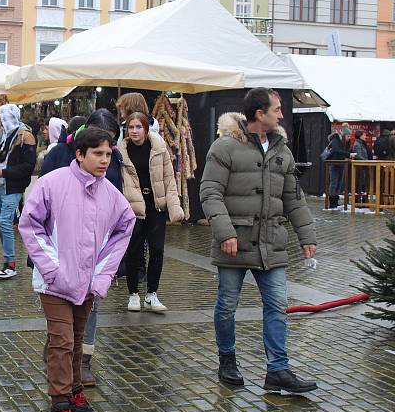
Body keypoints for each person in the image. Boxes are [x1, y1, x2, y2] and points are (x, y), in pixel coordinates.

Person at [200, 87, 318, 394]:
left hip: (271, 243)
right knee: (227, 306)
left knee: (277, 305)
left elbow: (293, 198)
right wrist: (225, 232)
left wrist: (307, 236)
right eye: (276, 110)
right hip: (235, 242)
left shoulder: (282, 150)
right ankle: (227, 360)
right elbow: (210, 193)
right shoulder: (224, 147)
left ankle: (277, 370)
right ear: (259, 115)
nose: (281, 115)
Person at [20, 127, 135, 412]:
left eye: (108, 154)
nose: (104, 160)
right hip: (55, 283)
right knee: (62, 341)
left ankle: (74, 391)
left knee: (78, 338)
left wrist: (102, 274)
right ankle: (60, 408)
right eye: (97, 153)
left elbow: (124, 229)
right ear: (80, 154)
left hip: (87, 284)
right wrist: (52, 268)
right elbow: (29, 225)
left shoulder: (110, 193)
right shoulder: (52, 184)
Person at [120, 111, 184, 313]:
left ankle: (151, 293)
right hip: (133, 206)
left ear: (146, 129)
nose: (134, 131)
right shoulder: (121, 151)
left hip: (156, 204)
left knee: (157, 250)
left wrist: (174, 207)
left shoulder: (158, 147)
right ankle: (133, 293)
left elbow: (169, 179)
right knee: (134, 251)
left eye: (138, 127)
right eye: (131, 127)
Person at [0, 104, 36, 279]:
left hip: (13, 186)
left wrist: (3, 172)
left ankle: (10, 263)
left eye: (1, 117)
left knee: (5, 222)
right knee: (1, 223)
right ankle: (8, 261)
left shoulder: (25, 136)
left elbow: (28, 166)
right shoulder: (0, 135)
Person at [325, 127, 351, 209]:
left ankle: (335, 202)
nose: (349, 138)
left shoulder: (344, 142)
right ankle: (332, 203)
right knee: (334, 183)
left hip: (341, 163)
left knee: (339, 183)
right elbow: (336, 150)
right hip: (334, 163)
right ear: (344, 135)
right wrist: (348, 154)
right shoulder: (336, 140)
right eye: (348, 136)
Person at [351, 130, 371, 203]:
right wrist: (366, 161)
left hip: (363, 166)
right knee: (361, 183)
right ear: (360, 136)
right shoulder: (357, 144)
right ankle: (358, 200)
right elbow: (358, 155)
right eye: (364, 135)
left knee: (364, 183)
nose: (365, 136)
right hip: (360, 166)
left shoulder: (362, 143)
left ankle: (363, 199)